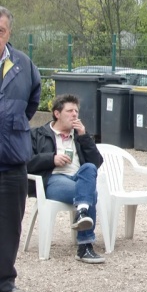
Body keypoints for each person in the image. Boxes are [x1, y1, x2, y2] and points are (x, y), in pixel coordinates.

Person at [27, 94, 105, 263]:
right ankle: (85, 246)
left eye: (76, 111)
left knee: (89, 168)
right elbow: (25, 163)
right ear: (57, 113)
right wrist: (51, 158)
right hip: (53, 179)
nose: (74, 114)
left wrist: (84, 137)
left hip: (78, 178)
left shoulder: (79, 135)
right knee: (91, 194)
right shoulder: (38, 134)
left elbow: (96, 163)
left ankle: (82, 211)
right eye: (69, 111)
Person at [0, 6, 41, 292]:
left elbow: (32, 103)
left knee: (9, 227)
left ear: (8, 32)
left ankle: (4, 290)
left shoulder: (24, 65)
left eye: (1, 30)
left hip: (11, 160)